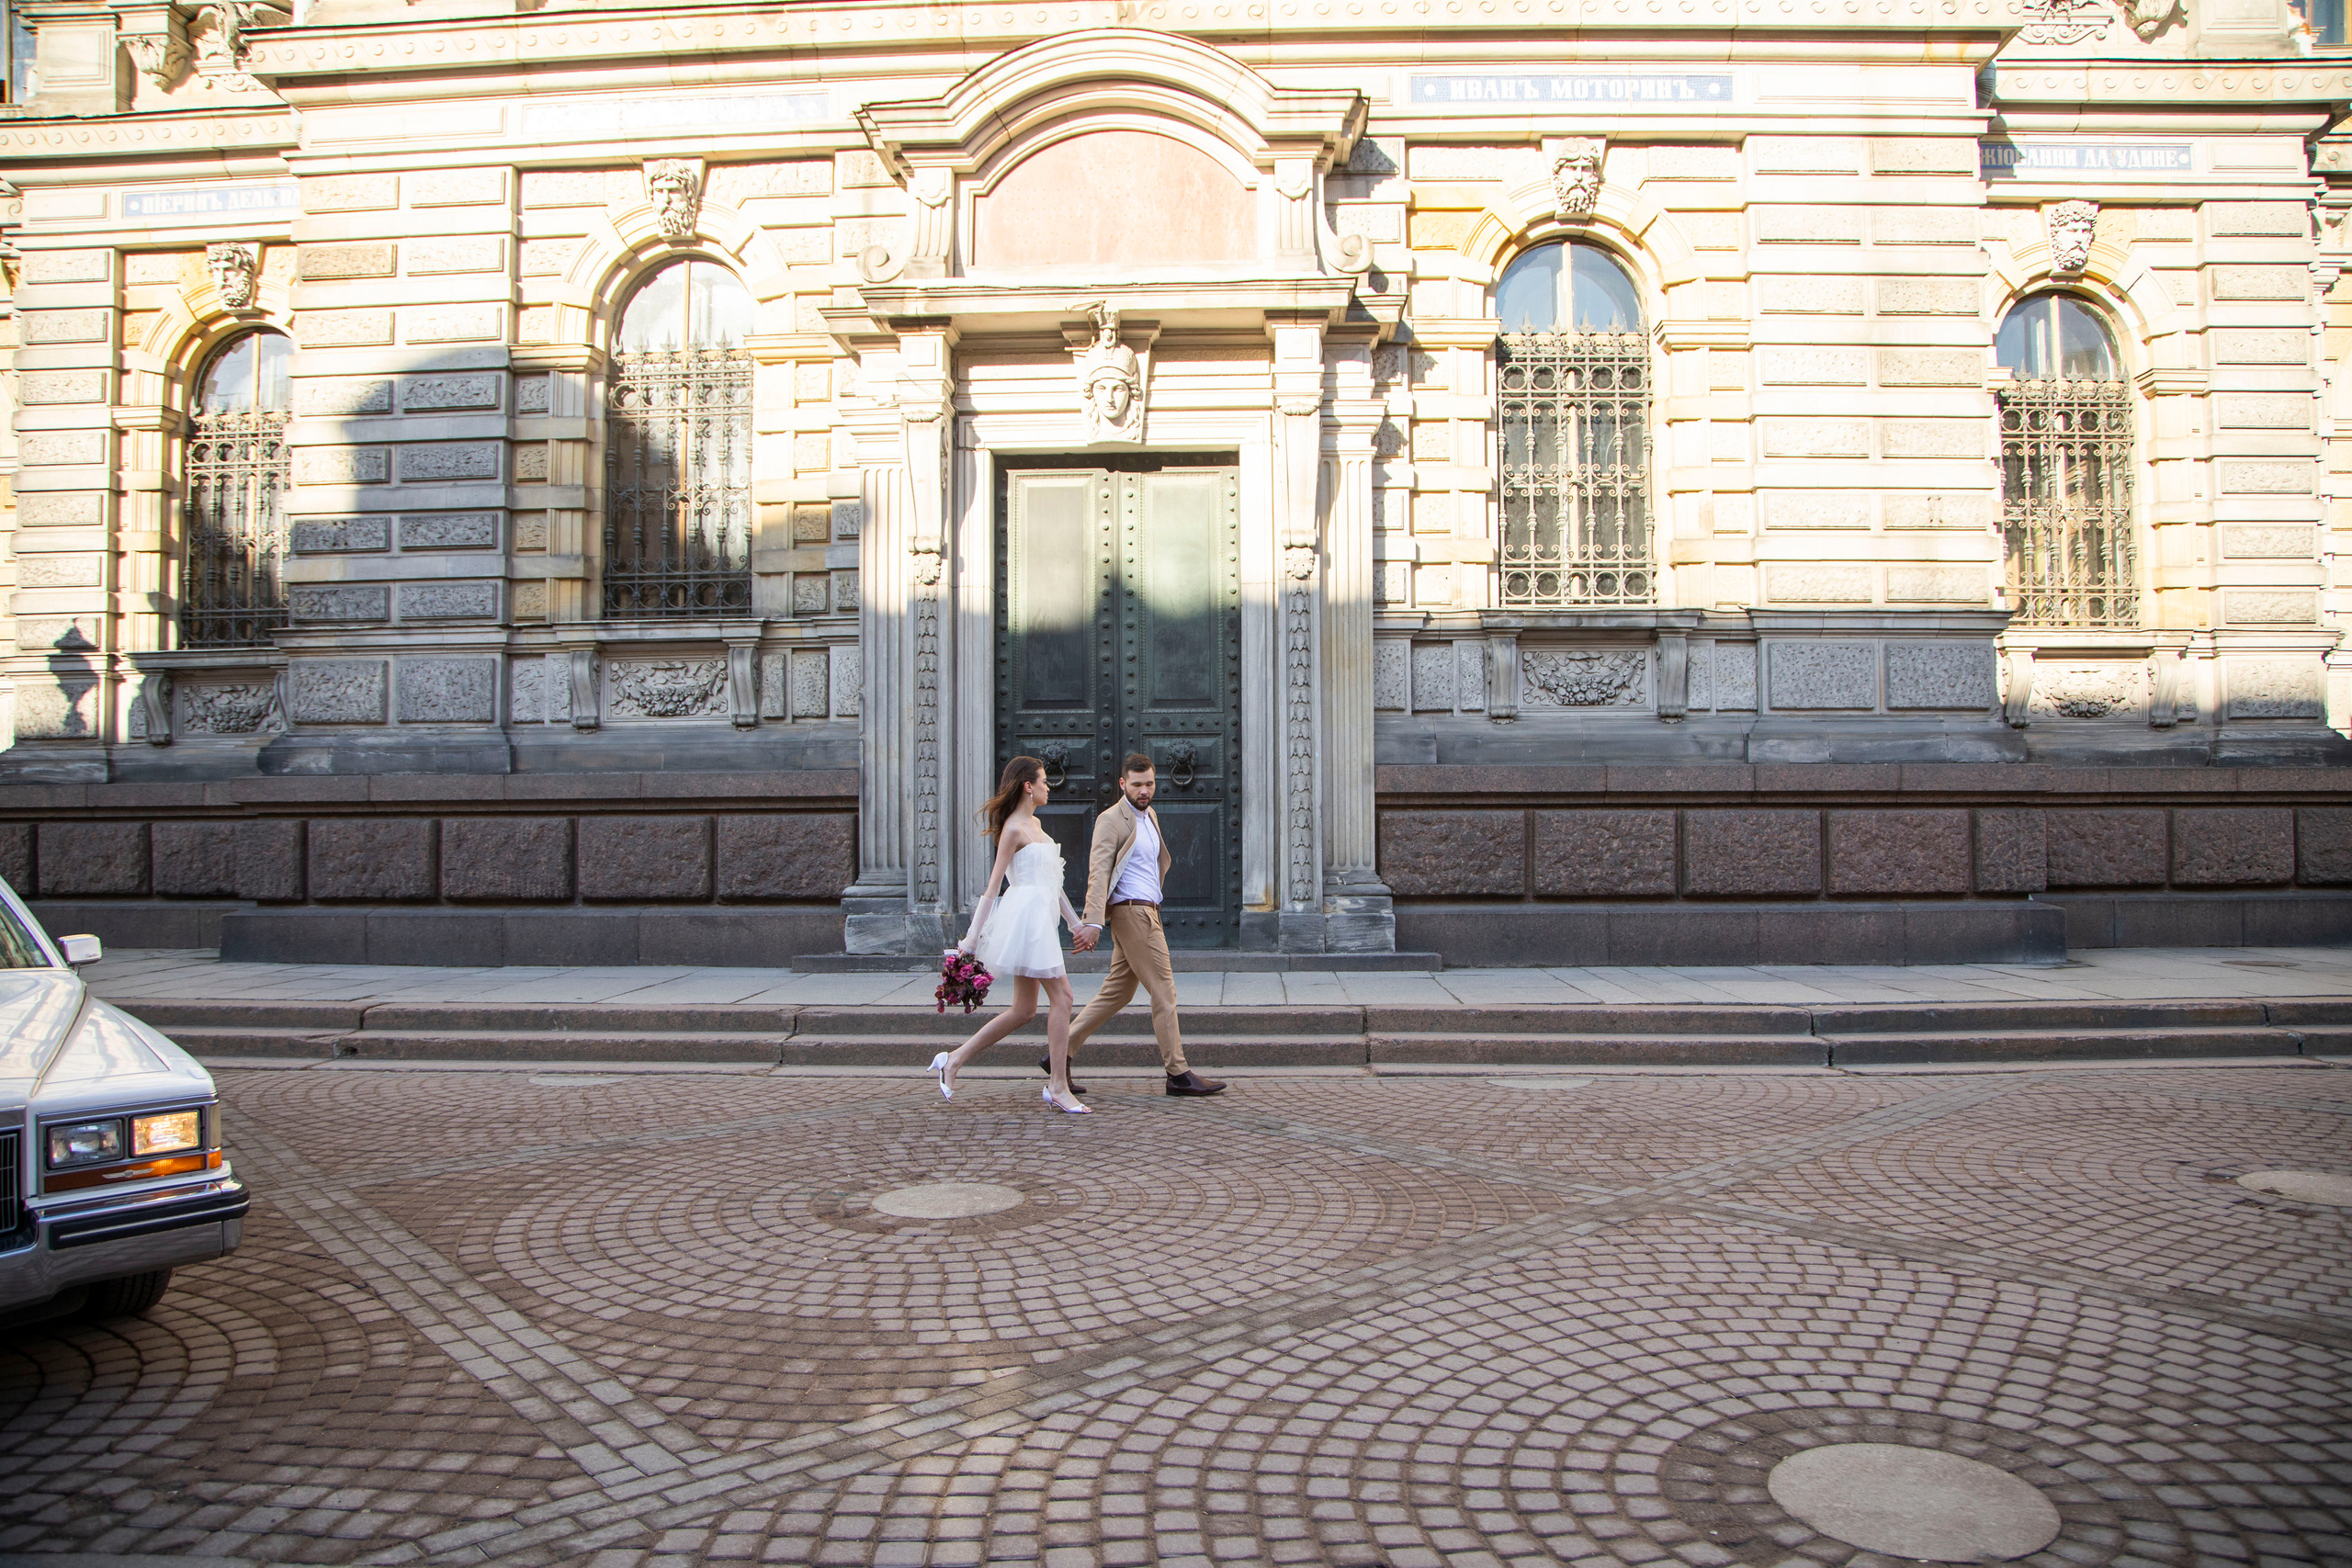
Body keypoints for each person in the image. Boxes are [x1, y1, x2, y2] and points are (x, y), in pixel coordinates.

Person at [927, 756, 1091, 1113]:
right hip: (1026, 921)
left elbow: (1054, 885)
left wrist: (1075, 924)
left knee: (1023, 1010)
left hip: (1039, 920)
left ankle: (953, 1059)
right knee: (1063, 998)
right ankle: (1058, 1086)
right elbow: (992, 888)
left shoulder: (1037, 826)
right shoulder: (1014, 830)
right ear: (1028, 786)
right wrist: (970, 942)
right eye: (1044, 781)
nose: (1049, 786)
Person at [1062, 753, 1228, 1098]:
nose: (1144, 790)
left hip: (1147, 909)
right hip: (1132, 912)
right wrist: (1092, 921)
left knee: (1118, 992)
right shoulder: (1112, 819)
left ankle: (1058, 1051)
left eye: (1149, 784)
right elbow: (1099, 872)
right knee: (1164, 990)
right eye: (1137, 784)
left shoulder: (1150, 815)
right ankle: (1178, 1073)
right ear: (1123, 784)